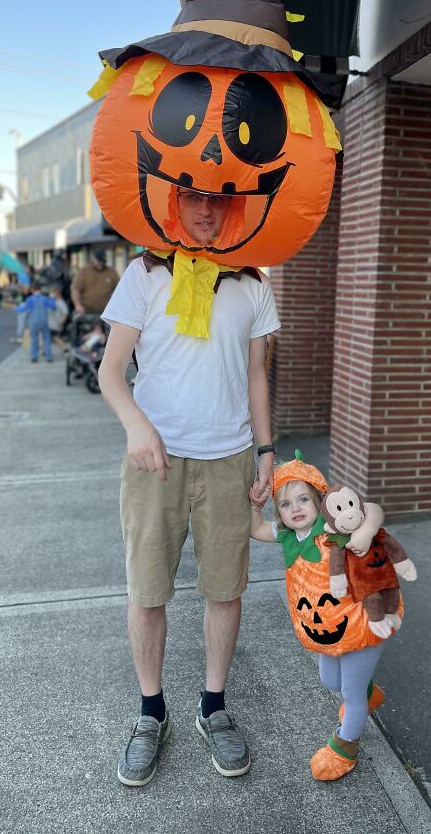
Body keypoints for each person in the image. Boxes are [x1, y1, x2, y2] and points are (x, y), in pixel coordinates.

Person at [98, 186, 280, 786]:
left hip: (229, 459)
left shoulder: (253, 284)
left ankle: (213, 706)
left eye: (218, 200)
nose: (205, 209)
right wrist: (136, 427)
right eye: (192, 197)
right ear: (173, 204)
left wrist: (266, 453)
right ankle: (151, 713)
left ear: (235, 208)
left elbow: (256, 376)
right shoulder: (144, 274)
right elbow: (111, 372)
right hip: (157, 463)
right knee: (148, 591)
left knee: (225, 590)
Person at [249, 456, 413, 782]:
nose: (295, 508)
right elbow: (254, 529)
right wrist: (256, 504)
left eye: (303, 499)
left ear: (320, 501)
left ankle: (344, 747)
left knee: (350, 695)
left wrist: (366, 531)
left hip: (364, 622)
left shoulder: (334, 527)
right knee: (331, 681)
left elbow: (372, 509)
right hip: (326, 629)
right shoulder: (286, 535)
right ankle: (368, 694)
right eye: (285, 504)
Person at [14, 282, 56, 363]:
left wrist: (15, 308)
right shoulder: (44, 298)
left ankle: (34, 357)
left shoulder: (30, 299)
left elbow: (23, 309)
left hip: (33, 321)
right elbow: (53, 306)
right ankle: (49, 357)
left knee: (34, 339)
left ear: (32, 290)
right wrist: (53, 298)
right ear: (40, 289)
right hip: (44, 321)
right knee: (46, 338)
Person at [71, 249, 119, 315]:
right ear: (93, 258)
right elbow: (76, 289)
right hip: (86, 312)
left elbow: (119, 291)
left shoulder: (112, 272)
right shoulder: (84, 271)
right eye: (98, 261)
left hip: (105, 312)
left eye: (102, 261)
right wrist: (78, 305)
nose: (100, 263)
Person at [48, 287, 69, 353]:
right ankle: (46, 350)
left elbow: (65, 313)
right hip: (51, 324)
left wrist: (61, 322)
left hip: (56, 324)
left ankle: (65, 348)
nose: (52, 295)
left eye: (54, 293)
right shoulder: (54, 302)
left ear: (58, 294)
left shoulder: (61, 303)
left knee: (55, 336)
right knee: (52, 337)